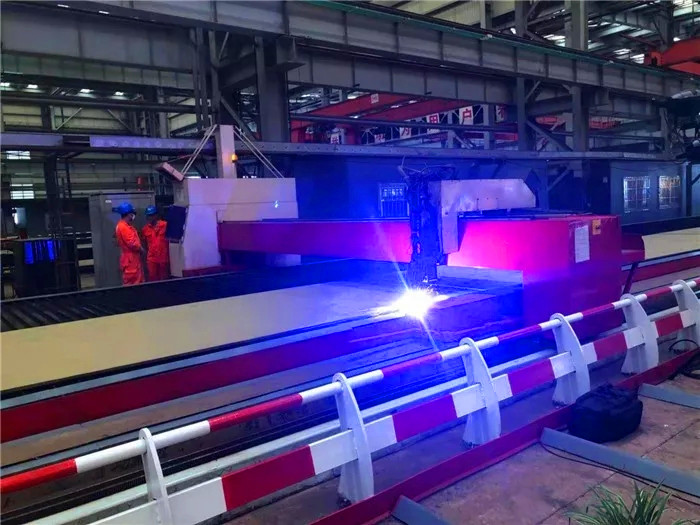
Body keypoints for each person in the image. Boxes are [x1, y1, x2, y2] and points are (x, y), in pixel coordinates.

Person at [114, 202, 144, 286]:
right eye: (132, 213)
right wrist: (141, 249)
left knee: (135, 282)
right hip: (131, 260)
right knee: (133, 284)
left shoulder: (124, 225)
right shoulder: (123, 227)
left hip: (131, 259)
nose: (133, 215)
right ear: (129, 214)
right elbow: (132, 243)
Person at [142, 205, 169, 282]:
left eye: (151, 215)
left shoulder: (165, 225)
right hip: (152, 259)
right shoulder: (145, 229)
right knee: (153, 279)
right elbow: (144, 244)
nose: (149, 217)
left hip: (163, 258)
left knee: (164, 280)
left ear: (156, 215)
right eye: (148, 215)